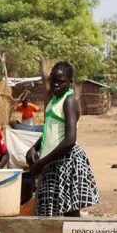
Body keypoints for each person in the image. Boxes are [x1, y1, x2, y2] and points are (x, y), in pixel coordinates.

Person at [26, 62, 100, 217]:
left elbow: (70, 140)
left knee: (69, 211)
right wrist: (35, 147)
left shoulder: (69, 101)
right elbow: (50, 130)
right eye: (53, 80)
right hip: (52, 161)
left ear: (70, 82)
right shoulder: (53, 102)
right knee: (52, 210)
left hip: (66, 161)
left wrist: (41, 163)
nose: (56, 84)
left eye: (61, 81)